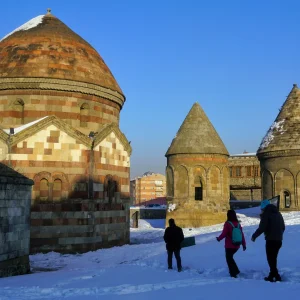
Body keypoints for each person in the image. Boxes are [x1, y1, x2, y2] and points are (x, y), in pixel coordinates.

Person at [251, 199, 285, 282]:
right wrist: (279, 234)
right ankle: (272, 275)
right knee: (273, 258)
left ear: (264, 208)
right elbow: (283, 227)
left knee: (270, 259)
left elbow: (262, 227)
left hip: (271, 240)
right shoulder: (278, 214)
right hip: (279, 240)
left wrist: (254, 236)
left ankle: (276, 276)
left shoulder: (266, 214)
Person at [216, 210, 246, 278]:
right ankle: (236, 271)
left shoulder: (227, 224)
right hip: (237, 245)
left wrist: (219, 238)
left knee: (229, 259)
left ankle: (233, 273)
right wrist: (244, 244)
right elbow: (242, 235)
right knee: (230, 258)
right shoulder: (238, 224)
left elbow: (224, 233)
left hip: (229, 245)